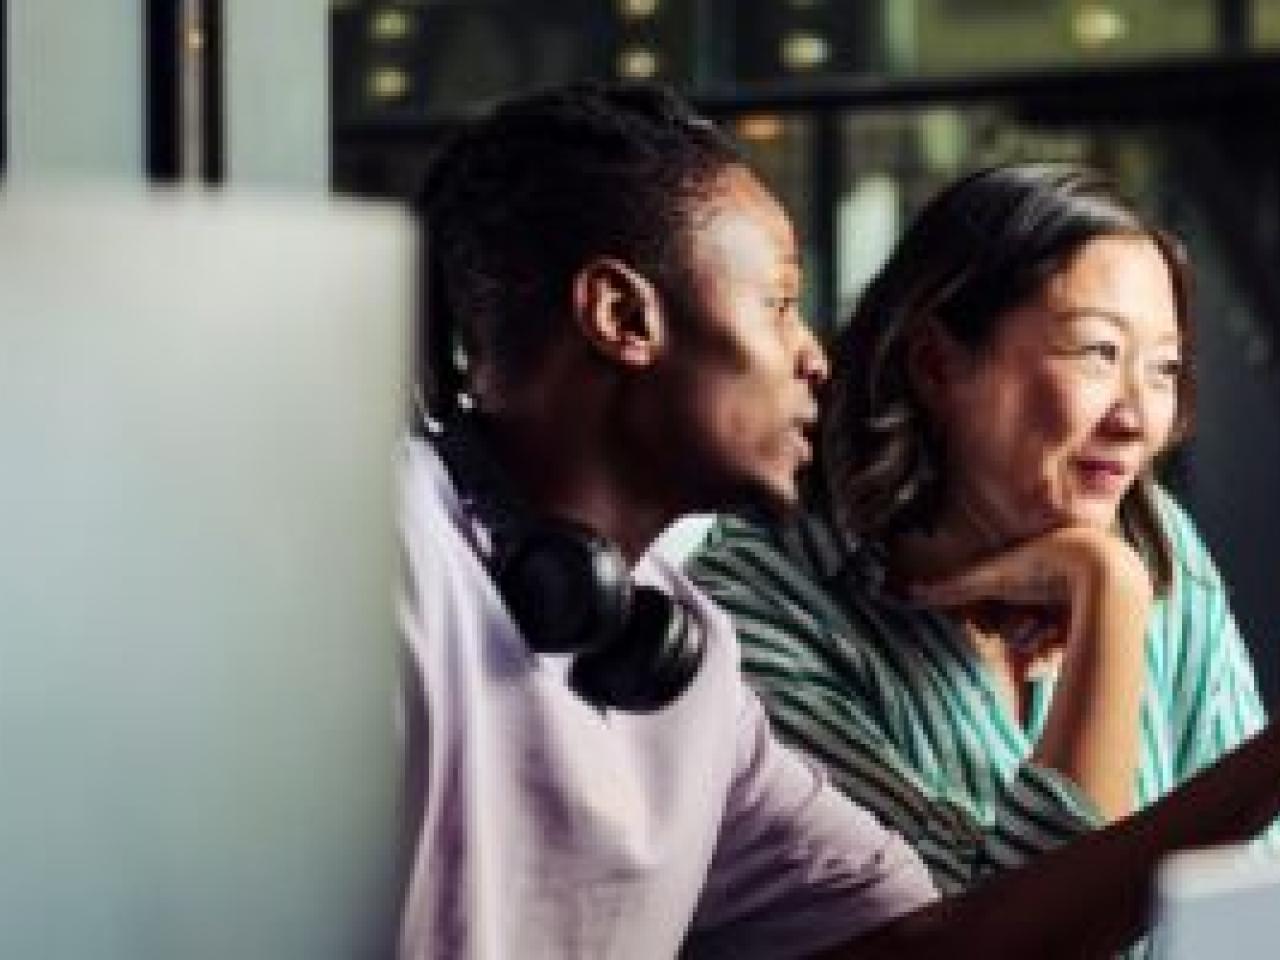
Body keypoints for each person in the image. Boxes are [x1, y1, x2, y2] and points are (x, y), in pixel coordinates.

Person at [399, 84, 1280, 959]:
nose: (815, 356)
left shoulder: (688, 670)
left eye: (1164, 369)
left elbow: (947, 946)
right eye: (779, 304)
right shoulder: (395, 565)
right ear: (624, 317)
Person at [687, 165, 1278, 909]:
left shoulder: (1152, 533)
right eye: (1097, 353)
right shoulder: (757, 615)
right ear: (937, 364)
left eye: (1162, 370)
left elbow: (1247, 881)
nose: (1136, 421)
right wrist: (1110, 597)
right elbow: (1013, 937)